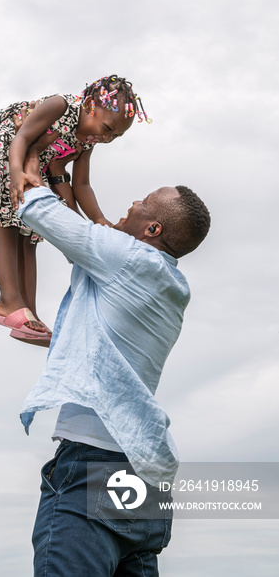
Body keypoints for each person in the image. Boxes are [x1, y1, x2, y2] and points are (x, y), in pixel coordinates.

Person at [16, 180, 211, 576]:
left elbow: (35, 207)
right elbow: (113, 340)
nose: (134, 202)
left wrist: (28, 151)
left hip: (94, 463)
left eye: (144, 202)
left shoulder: (129, 258)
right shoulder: (173, 286)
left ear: (152, 230)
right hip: (146, 473)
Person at [0, 75, 150, 345]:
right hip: (6, 148)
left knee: (30, 237)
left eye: (115, 136)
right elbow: (22, 136)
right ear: (92, 105)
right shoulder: (61, 106)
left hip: (31, 164)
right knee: (7, 220)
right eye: (107, 127)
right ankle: (8, 301)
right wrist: (15, 173)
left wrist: (97, 218)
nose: (106, 137)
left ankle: (28, 314)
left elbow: (81, 184)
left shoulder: (88, 141)